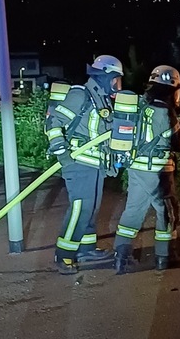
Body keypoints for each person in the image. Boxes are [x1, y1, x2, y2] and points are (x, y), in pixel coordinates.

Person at [114, 65, 180, 274]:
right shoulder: (165, 112)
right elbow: (178, 143)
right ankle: (165, 256)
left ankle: (121, 258)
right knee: (167, 211)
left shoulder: (140, 106)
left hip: (136, 169)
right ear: (172, 89)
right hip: (158, 171)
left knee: (133, 211)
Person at [45, 54, 124, 274]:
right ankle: (64, 255)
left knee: (91, 208)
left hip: (95, 165)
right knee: (81, 208)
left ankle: (86, 248)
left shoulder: (102, 100)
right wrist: (63, 154)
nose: (116, 85)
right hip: (78, 163)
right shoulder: (80, 94)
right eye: (115, 79)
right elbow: (53, 122)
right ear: (104, 77)